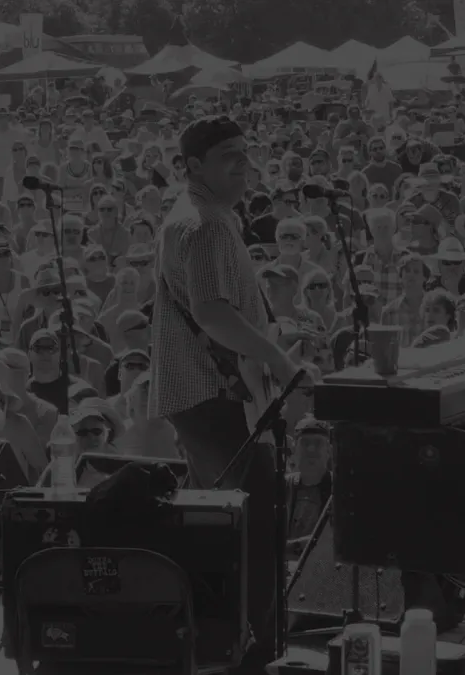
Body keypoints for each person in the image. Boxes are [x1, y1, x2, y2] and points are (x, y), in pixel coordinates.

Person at [149, 116, 308, 675]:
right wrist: (280, 358)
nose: (243, 161)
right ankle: (252, 658)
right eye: (227, 155)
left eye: (245, 151)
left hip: (205, 393)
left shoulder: (200, 216)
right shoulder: (207, 222)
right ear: (194, 165)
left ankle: (216, 650)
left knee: (220, 528)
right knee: (253, 528)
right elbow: (212, 311)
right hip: (213, 395)